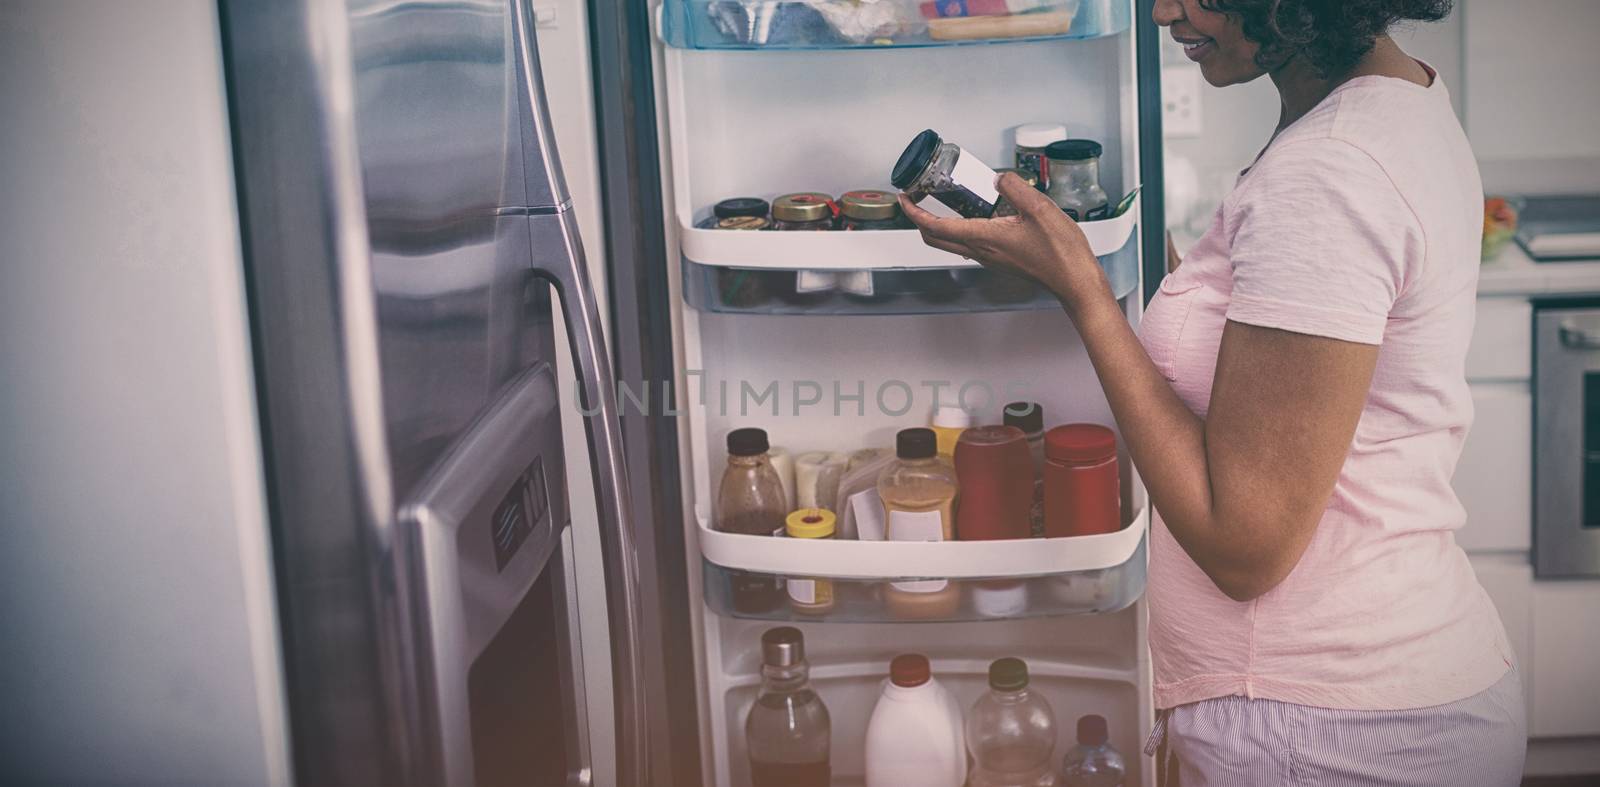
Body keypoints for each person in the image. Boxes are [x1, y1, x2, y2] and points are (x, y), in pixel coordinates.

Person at [900, 0, 1526, 783]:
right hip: (1365, 688)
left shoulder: (1330, 169)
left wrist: (1083, 292)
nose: (1163, 11)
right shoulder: (1394, 104)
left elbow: (1245, 546)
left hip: (1329, 729)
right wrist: (1092, 244)